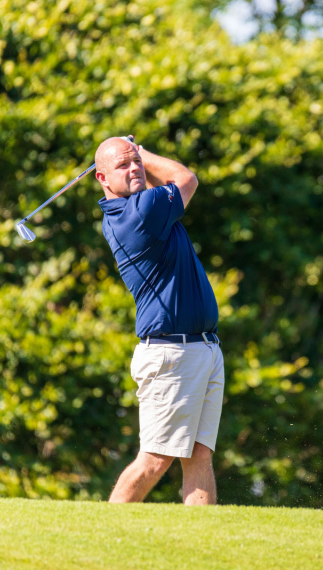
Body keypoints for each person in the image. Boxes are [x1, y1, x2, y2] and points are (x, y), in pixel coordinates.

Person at [94, 135, 223, 505]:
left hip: (201, 350)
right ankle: (101, 537)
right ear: (102, 179)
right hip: (172, 355)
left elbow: (161, 190)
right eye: (124, 164)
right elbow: (185, 179)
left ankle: (203, 548)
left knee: (198, 454)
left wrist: (133, 158)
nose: (134, 168)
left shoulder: (141, 208)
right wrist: (145, 152)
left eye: (135, 162)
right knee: (154, 459)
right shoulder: (138, 214)